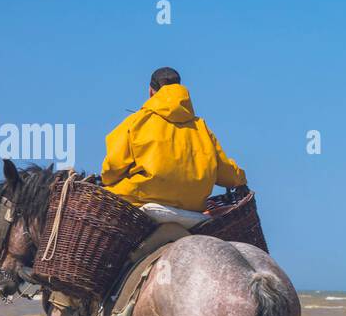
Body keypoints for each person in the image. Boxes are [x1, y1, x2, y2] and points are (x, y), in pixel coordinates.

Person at [101, 67, 246, 217]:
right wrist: (240, 178)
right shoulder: (201, 127)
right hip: (193, 208)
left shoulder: (136, 121)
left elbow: (112, 170)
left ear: (151, 91)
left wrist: (105, 180)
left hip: (140, 201)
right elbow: (225, 173)